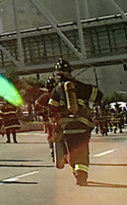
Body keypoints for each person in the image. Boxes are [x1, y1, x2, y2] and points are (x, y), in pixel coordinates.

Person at [47, 58, 103, 186]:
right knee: (83, 150)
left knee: (71, 151)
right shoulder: (80, 86)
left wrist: (55, 126)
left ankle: (76, 173)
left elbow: (51, 110)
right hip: (83, 125)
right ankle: (81, 175)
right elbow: (98, 96)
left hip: (67, 127)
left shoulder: (56, 91)